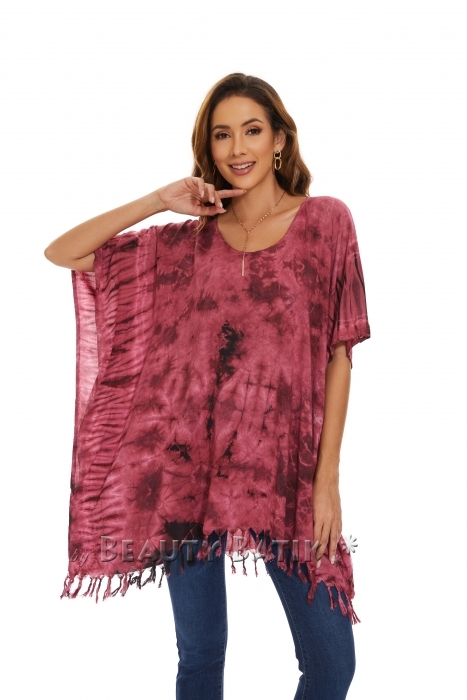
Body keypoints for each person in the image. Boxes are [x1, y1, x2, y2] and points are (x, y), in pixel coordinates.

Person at [44, 72, 371, 700]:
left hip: (285, 476)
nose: (237, 148)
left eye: (252, 130)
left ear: (280, 139)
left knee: (332, 664)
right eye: (222, 135)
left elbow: (340, 353)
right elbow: (64, 252)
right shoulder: (183, 243)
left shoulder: (326, 222)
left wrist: (326, 479)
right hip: (187, 478)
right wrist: (157, 200)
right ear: (208, 147)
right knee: (200, 658)